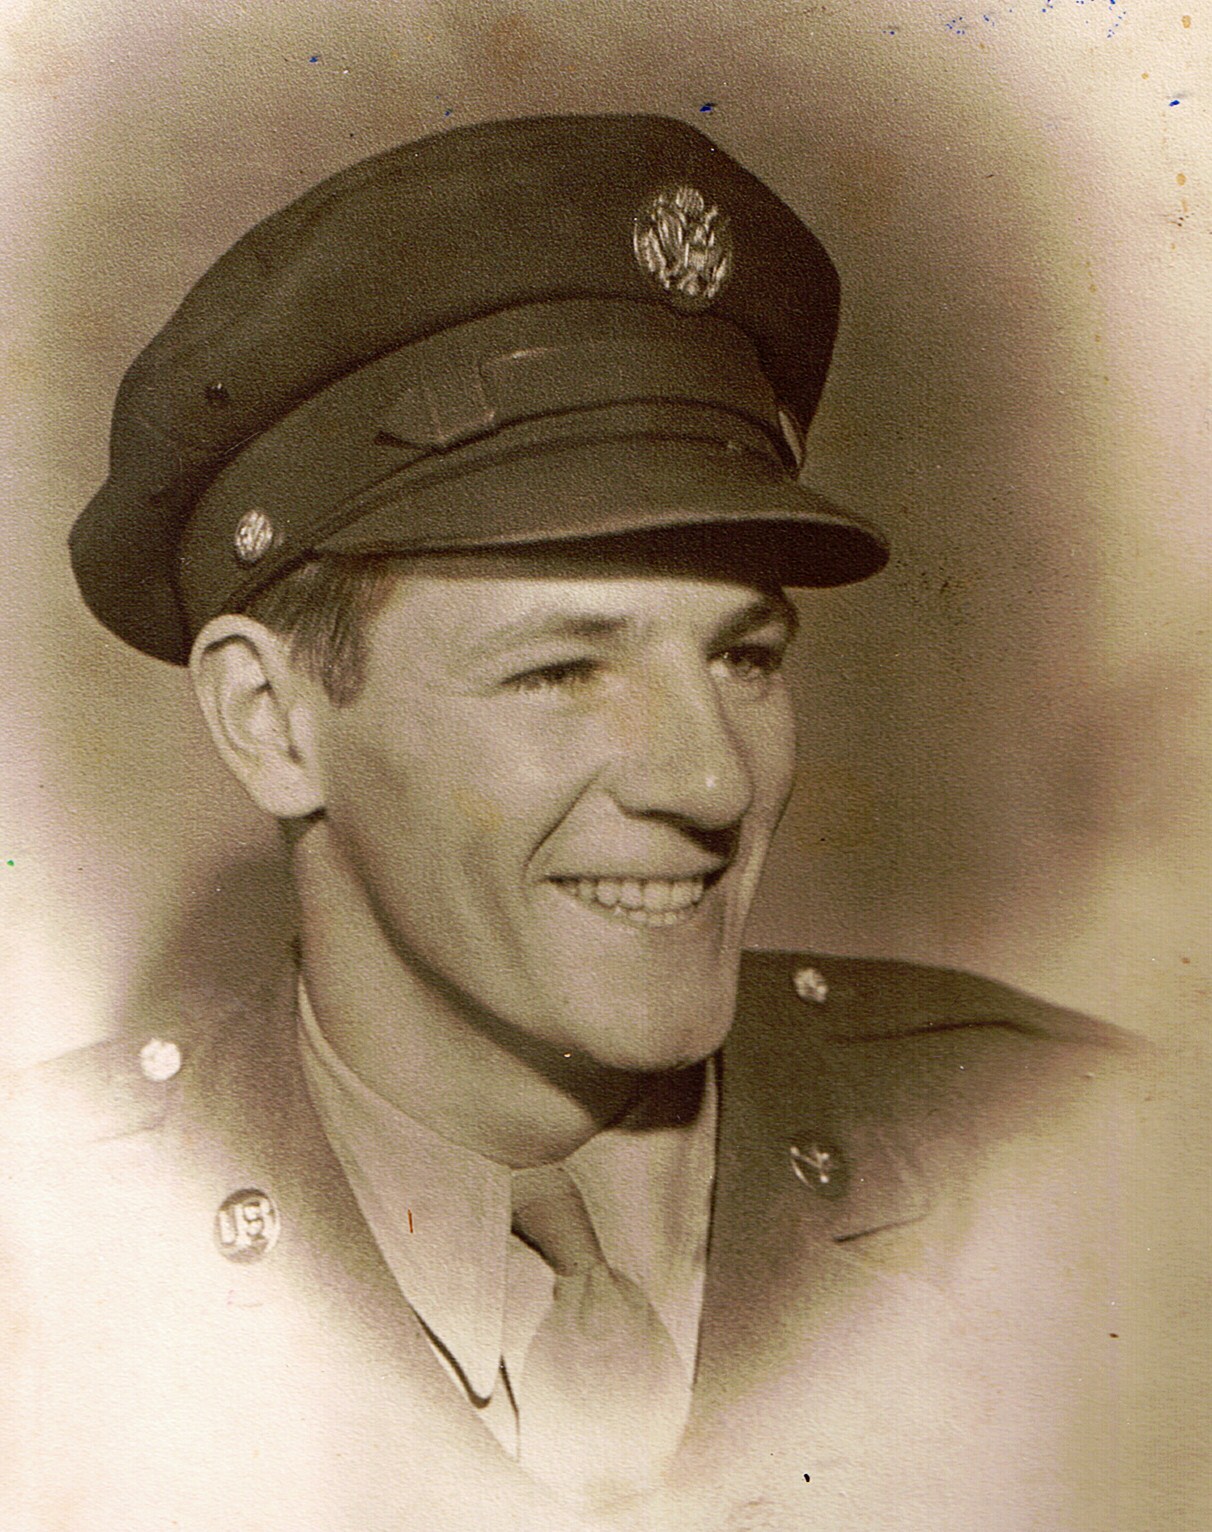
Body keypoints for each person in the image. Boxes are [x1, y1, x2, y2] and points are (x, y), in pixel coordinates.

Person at [0, 114, 1143, 1531]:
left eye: (745, 658)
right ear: (271, 721)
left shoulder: (1084, 1159)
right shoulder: (46, 1259)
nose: (713, 782)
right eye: (559, 671)